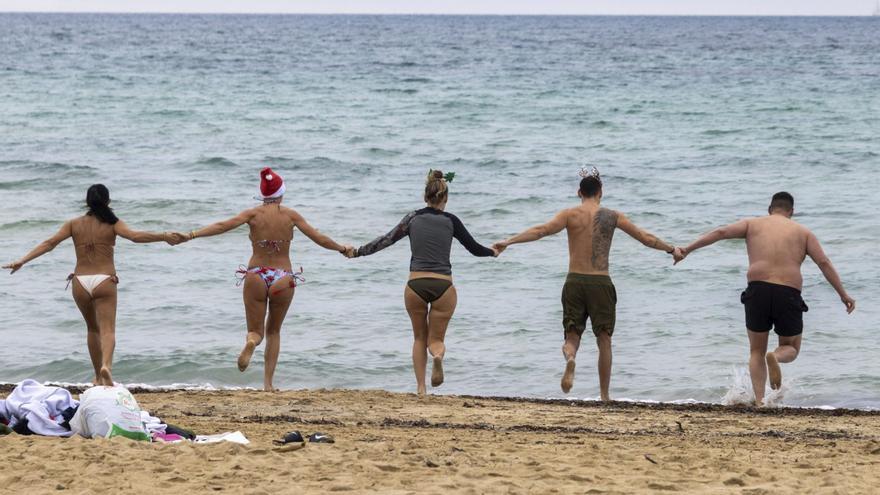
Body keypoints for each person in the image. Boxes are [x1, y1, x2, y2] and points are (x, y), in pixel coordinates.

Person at [493, 167, 678, 401]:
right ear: (601, 192)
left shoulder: (570, 215)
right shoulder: (612, 216)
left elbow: (541, 231)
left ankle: (570, 359)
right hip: (601, 282)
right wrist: (672, 249)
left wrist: (508, 241)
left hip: (574, 281)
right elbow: (645, 238)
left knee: (572, 337)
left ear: (579, 192)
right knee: (604, 340)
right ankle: (604, 395)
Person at [171, 168, 351, 392]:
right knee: (274, 331)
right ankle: (268, 384)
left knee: (257, 331)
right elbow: (319, 237)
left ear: (262, 195)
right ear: (281, 193)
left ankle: (251, 342)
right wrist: (342, 248)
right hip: (283, 278)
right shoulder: (291, 216)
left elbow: (222, 226)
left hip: (256, 275)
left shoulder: (252, 215)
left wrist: (191, 235)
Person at [674, 191, 855, 406]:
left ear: (770, 209)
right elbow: (823, 262)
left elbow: (721, 232)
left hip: (757, 290)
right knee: (791, 348)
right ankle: (776, 357)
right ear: (792, 212)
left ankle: (760, 401)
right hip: (788, 292)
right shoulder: (803, 232)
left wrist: (687, 249)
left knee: (756, 351)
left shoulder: (752, 224)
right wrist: (843, 294)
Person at [3, 184, 176, 386]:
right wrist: (164, 236)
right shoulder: (114, 223)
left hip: (80, 282)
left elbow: (49, 243)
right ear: (108, 201)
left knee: (92, 329)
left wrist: (22, 260)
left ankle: (97, 376)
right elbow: (135, 237)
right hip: (105, 280)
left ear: (87, 202)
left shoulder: (73, 224)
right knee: (108, 330)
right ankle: (106, 368)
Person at [349, 170, 499, 396]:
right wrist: (493, 252)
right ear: (445, 199)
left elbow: (386, 240)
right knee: (435, 339)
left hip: (415, 285)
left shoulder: (412, 218)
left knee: (419, 337)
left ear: (425, 197)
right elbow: (474, 248)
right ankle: (437, 356)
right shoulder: (452, 221)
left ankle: (421, 388)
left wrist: (359, 252)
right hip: (443, 286)